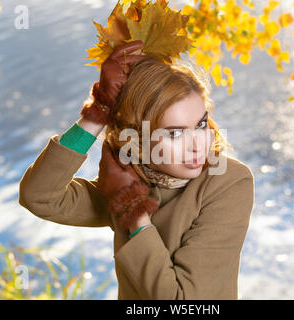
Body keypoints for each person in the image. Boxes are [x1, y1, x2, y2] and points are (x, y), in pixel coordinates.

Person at [18, 40, 255, 300]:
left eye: (200, 124)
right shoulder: (128, 181)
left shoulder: (229, 182)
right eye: (175, 133)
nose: (197, 146)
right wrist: (99, 112)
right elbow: (38, 196)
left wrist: (134, 212)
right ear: (138, 143)